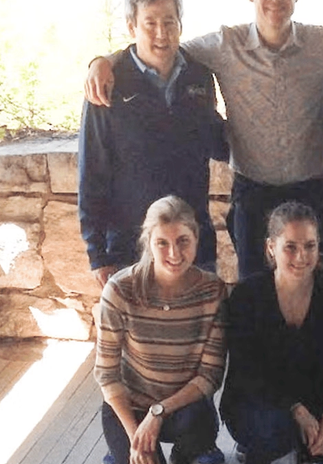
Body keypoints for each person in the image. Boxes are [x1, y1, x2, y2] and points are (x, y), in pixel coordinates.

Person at [84, 0, 323, 281]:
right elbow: (158, 48)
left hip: (309, 193)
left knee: (315, 295)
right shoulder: (224, 45)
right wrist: (104, 61)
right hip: (252, 196)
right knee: (252, 297)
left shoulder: (321, 44)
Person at [79, 0, 226, 290]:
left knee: (197, 330)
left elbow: (214, 139)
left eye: (169, 22)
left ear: (180, 26)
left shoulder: (199, 76)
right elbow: (92, 170)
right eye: (151, 23)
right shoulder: (108, 83)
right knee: (136, 335)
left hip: (193, 241)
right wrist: (97, 253)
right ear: (132, 27)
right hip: (130, 246)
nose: (162, 33)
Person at [220, 201, 323, 464]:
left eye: (310, 246)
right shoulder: (247, 296)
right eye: (290, 247)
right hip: (256, 402)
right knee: (279, 430)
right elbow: (247, 372)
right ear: (271, 248)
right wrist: (296, 411)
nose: (301, 257)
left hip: (315, 401)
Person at [94, 196, 227, 464]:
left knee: (201, 446)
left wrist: (159, 412)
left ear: (196, 239)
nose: (174, 254)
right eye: (162, 243)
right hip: (129, 406)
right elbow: (107, 375)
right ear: (148, 242)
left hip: (184, 406)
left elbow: (210, 375)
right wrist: (136, 438)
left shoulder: (212, 291)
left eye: (183, 241)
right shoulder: (120, 289)